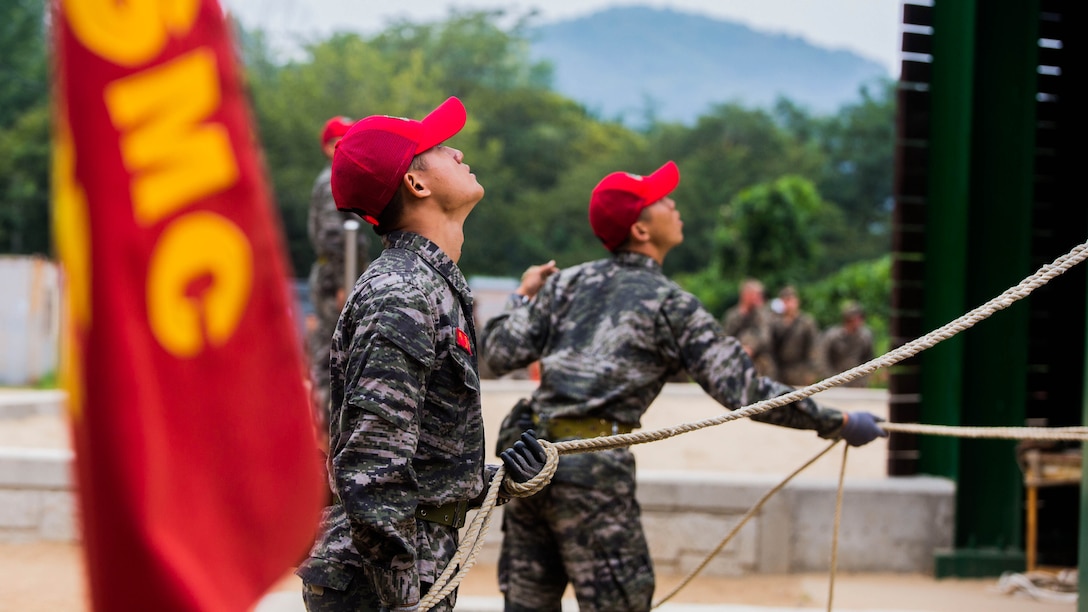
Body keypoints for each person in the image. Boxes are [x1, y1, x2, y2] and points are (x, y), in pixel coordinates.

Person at [480, 161, 887, 612]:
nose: (674, 205)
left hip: (530, 462)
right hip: (591, 471)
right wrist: (839, 421)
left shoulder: (566, 285)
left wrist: (522, 295)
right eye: (661, 200)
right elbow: (745, 390)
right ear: (640, 230)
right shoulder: (672, 305)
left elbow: (497, 353)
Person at [295, 97, 547, 612]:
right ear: (416, 184)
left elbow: (414, 457)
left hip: (403, 571)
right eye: (438, 147)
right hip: (380, 586)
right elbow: (372, 465)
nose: (457, 152)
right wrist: (402, 602)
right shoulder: (402, 293)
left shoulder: (429, 286)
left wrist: (492, 481)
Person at [307, 115, 372, 442]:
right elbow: (335, 238)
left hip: (344, 275)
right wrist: (343, 283)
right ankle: (325, 432)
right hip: (337, 279)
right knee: (332, 353)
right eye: (340, 142)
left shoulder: (342, 177)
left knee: (336, 350)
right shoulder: (331, 179)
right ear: (328, 147)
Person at [721, 277, 776, 378]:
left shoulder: (762, 315)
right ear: (746, 295)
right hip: (736, 356)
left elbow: (765, 337)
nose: (759, 298)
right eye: (756, 294)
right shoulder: (732, 315)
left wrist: (751, 347)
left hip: (759, 358)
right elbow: (726, 337)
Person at [770, 285, 821, 387]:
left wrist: (811, 373)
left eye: (790, 300)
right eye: (785, 301)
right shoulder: (774, 322)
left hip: (799, 372)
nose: (788, 304)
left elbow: (813, 348)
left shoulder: (806, 322)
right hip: (779, 372)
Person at [818, 300, 875, 387]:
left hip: (857, 382)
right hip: (835, 380)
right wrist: (830, 378)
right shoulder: (833, 336)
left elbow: (870, 359)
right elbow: (823, 359)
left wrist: (863, 380)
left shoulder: (865, 337)